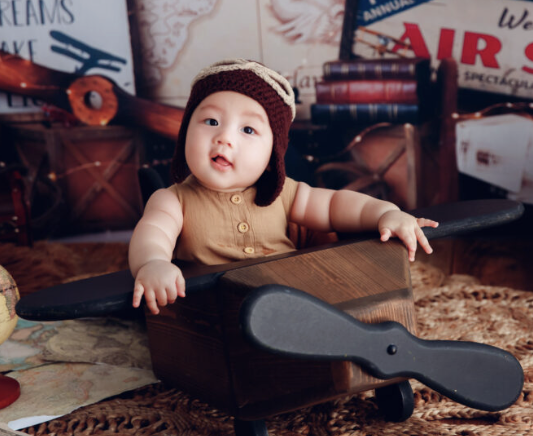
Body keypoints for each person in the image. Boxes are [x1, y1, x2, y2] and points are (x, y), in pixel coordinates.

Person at [129, 59, 438, 314]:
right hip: (217, 312)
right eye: (211, 122)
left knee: (353, 285)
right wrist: (153, 263)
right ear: (185, 134)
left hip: (292, 300)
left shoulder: (282, 194)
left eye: (248, 129)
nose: (225, 138)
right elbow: (153, 234)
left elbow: (336, 206)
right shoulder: (173, 200)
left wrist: (387, 213)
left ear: (271, 156)